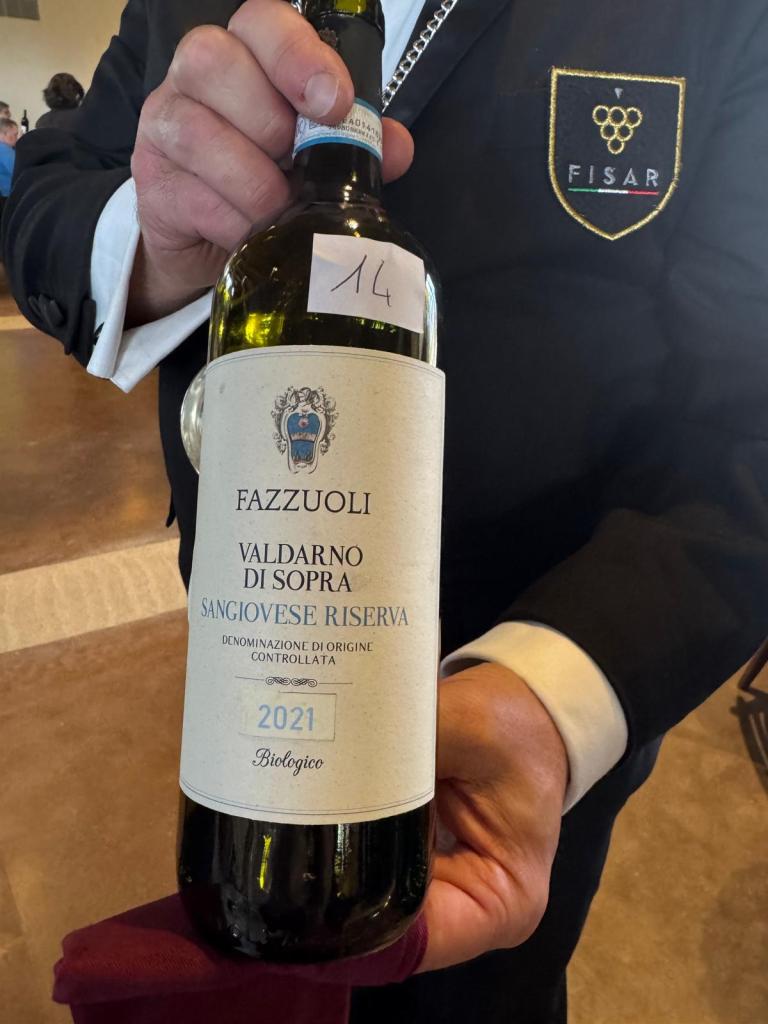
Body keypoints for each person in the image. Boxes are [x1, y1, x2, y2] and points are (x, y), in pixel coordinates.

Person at [3, 0, 768, 1021]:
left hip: (517, 744)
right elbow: (44, 197)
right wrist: (152, 237)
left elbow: (749, 429)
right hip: (251, 660)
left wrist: (549, 702)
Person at [0, 117, 19, 203]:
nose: (17, 138)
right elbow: (18, 171)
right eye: (14, 135)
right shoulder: (5, 151)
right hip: (8, 195)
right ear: (2, 135)